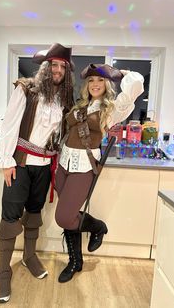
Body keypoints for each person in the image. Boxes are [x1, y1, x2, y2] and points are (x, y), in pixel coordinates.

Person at [0, 43, 74, 303]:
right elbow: (9, 124)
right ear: (45, 67)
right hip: (20, 163)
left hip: (45, 167)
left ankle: (28, 256)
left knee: (35, 213)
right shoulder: (26, 89)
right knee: (10, 217)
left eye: (63, 66)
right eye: (54, 65)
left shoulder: (64, 100)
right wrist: (6, 160)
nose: (58, 70)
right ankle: (3, 273)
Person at [55, 63, 144, 283]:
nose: (95, 84)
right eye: (92, 80)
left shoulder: (112, 108)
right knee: (71, 215)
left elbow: (136, 83)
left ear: (107, 84)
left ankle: (98, 227)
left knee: (64, 217)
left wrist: (119, 73)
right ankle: (75, 261)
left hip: (84, 166)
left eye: (101, 80)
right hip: (63, 164)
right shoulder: (81, 104)